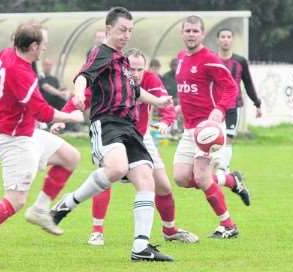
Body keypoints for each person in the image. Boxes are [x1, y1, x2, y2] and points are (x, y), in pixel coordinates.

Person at [0, 22, 85, 268]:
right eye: (43, 44)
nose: (46, 48)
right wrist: (71, 117)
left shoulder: (6, 54)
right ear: (33, 46)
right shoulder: (22, 73)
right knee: (15, 200)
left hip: (25, 131)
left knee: (70, 157)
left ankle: (41, 210)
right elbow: (43, 111)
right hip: (15, 141)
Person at [49, 7, 174, 261]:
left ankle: (141, 248)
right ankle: (66, 204)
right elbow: (84, 76)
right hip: (107, 123)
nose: (127, 35)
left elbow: (135, 92)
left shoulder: (123, 61)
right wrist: (76, 93)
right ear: (108, 29)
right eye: (122, 30)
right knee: (116, 168)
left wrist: (159, 103)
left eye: (130, 31)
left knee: (146, 180)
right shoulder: (101, 52)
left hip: (129, 129)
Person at [173, 15, 246, 239]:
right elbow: (188, 89)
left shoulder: (210, 59)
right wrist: (178, 106)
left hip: (208, 129)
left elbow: (231, 88)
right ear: (182, 33)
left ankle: (229, 226)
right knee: (181, 178)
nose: (191, 35)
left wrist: (220, 110)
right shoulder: (181, 58)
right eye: (188, 31)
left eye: (196, 31)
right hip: (189, 129)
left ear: (202, 34)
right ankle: (230, 180)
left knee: (203, 178)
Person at [213, 28, 262, 202]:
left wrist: (257, 103)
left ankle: (223, 169)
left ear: (232, 40)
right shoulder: (212, 60)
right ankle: (225, 172)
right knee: (214, 140)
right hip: (214, 108)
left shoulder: (240, 61)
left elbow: (248, 83)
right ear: (218, 40)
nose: (226, 40)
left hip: (234, 106)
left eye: (229, 36)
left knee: (228, 138)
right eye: (223, 37)